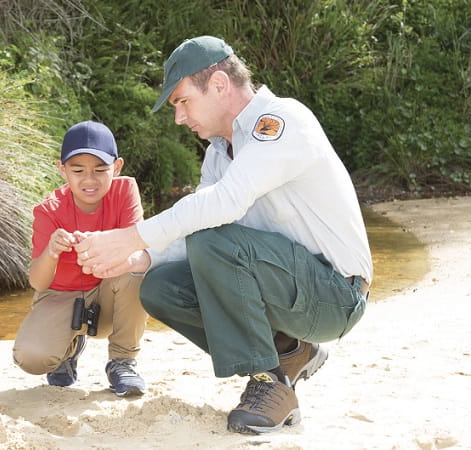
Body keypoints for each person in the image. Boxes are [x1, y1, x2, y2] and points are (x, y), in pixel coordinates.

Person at [73, 36, 373, 433]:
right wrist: (139, 259)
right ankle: (288, 353)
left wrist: (132, 236)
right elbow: (200, 223)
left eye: (182, 101)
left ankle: (268, 383)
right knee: (160, 286)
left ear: (218, 84)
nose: (179, 117)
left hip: (337, 293)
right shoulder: (219, 152)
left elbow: (223, 206)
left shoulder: (282, 121)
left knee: (212, 241)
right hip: (288, 285)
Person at [12, 120, 148, 397]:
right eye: (77, 170)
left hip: (110, 292)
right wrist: (52, 251)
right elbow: (38, 282)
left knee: (137, 265)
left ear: (117, 167)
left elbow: (137, 250)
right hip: (61, 295)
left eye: (100, 170)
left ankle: (122, 362)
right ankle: (68, 350)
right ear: (62, 170)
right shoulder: (48, 211)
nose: (89, 179)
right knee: (32, 358)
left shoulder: (125, 193)